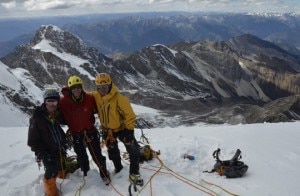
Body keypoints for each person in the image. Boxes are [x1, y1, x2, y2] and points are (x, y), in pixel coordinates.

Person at [92, 73, 143, 186]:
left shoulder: (119, 98)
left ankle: (134, 172)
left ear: (110, 85)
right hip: (108, 130)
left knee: (134, 151)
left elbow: (130, 115)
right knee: (113, 152)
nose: (102, 90)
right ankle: (119, 169)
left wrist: (129, 131)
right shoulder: (96, 96)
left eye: (105, 87)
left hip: (122, 128)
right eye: (99, 87)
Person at [59, 75, 110, 185]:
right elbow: (57, 114)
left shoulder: (89, 99)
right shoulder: (63, 103)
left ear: (81, 87)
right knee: (82, 156)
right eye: (74, 88)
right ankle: (87, 174)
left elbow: (99, 108)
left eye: (78, 87)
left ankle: (104, 174)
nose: (77, 90)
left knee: (97, 155)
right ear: (70, 89)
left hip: (90, 131)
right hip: (76, 133)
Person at [28, 88, 67, 196]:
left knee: (62, 166)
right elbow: (32, 141)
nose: (52, 104)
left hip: (59, 148)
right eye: (49, 101)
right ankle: (51, 193)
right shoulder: (37, 118)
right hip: (46, 152)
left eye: (54, 101)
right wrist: (42, 154)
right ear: (44, 102)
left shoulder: (55, 114)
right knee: (51, 170)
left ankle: (65, 180)